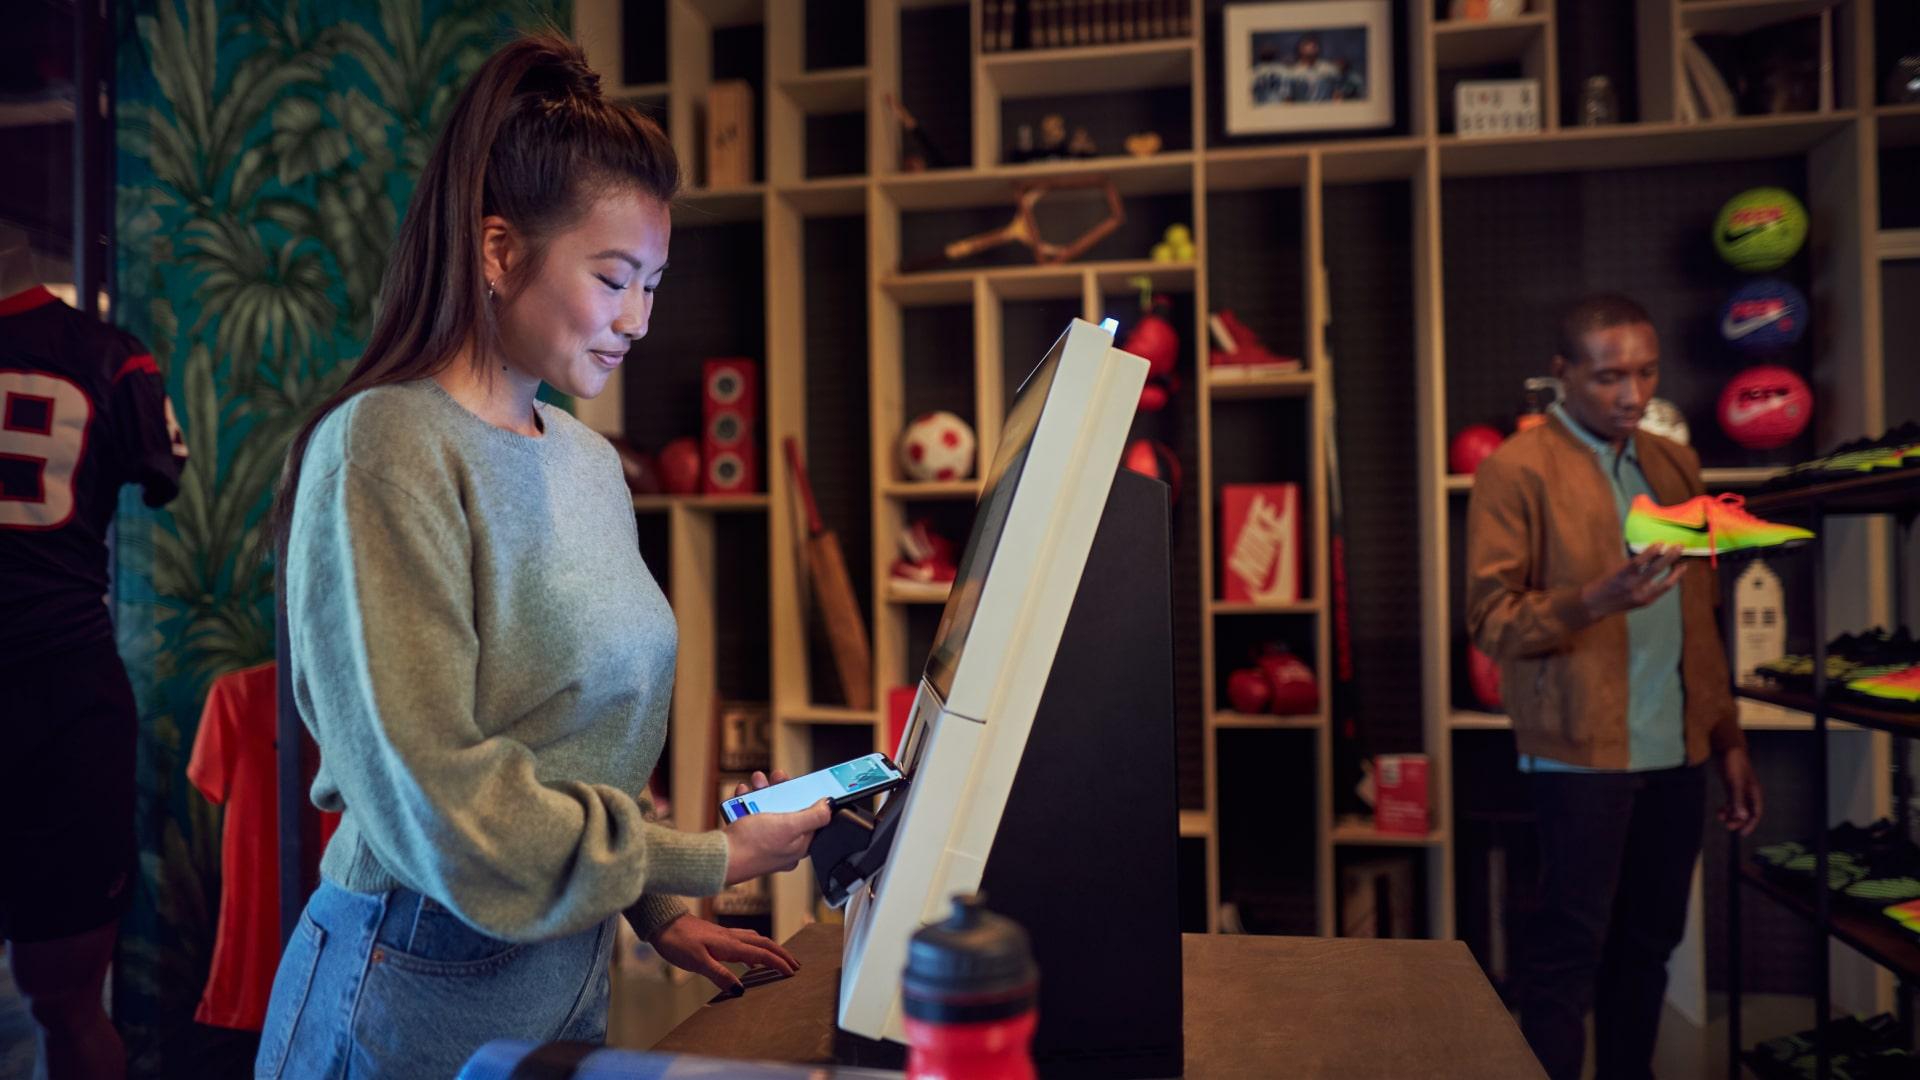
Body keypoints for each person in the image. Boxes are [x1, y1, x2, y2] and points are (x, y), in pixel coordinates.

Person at [258, 33, 829, 1079]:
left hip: (566, 979)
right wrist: (707, 859)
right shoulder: (385, 447)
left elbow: (580, 743)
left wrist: (657, 911)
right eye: (614, 278)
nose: (638, 321)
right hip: (405, 988)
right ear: (498, 249)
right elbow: (447, 804)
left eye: (653, 284)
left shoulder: (586, 458)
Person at [1465, 293, 1765, 1080]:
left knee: (1649, 949)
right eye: (1608, 377)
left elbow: (1700, 621)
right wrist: (1595, 598)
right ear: (1562, 374)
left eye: (1645, 372)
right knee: (1567, 959)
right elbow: (1491, 620)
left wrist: (1726, 736)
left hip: (1678, 751)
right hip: (1579, 755)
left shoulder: (1674, 465)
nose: (1631, 394)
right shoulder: (1513, 470)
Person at [0, 223, 189, 1080]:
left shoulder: (111, 356)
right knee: (66, 1003)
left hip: (62, 699)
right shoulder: (107, 356)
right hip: (66, 700)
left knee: (65, 998)